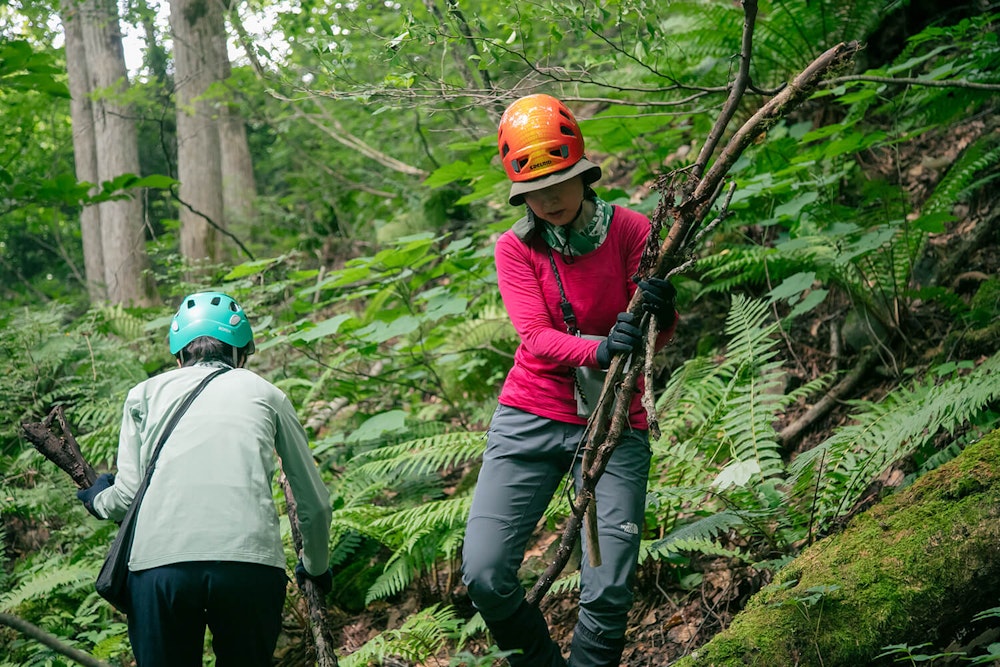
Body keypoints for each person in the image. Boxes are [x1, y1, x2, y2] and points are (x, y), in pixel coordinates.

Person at [461, 94, 679, 667]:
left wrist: (663, 308)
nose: (550, 197)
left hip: (614, 419)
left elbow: (655, 339)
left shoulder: (632, 230)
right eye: (535, 188)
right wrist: (602, 346)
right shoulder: (515, 247)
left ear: (583, 173)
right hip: (530, 415)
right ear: (519, 193)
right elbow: (534, 336)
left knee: (606, 588)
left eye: (561, 179)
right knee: (484, 574)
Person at [76, 291, 333, 667]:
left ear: (179, 354)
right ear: (239, 352)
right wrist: (315, 566)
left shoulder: (144, 394)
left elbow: (126, 495)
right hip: (250, 567)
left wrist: (96, 497)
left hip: (160, 568)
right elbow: (315, 503)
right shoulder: (266, 393)